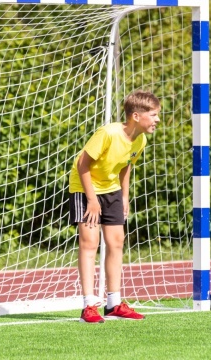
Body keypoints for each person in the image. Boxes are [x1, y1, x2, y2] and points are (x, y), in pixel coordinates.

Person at [69, 90, 161, 323]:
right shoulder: (108, 133)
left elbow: (125, 166)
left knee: (116, 241)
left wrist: (125, 195)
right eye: (153, 115)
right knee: (90, 242)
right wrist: (92, 200)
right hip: (84, 187)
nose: (157, 119)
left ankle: (113, 303)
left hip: (111, 189)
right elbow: (82, 164)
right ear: (136, 116)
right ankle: (89, 306)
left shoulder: (141, 140)